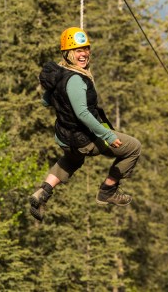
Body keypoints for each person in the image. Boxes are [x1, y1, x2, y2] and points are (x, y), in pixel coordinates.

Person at [29, 27, 141, 221]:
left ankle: (43, 191)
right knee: (133, 148)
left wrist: (59, 96)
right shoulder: (75, 79)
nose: (84, 54)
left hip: (65, 138)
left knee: (72, 160)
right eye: (78, 50)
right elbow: (83, 113)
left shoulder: (60, 74)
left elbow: (45, 101)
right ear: (68, 53)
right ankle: (108, 190)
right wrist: (108, 136)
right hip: (84, 139)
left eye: (86, 49)